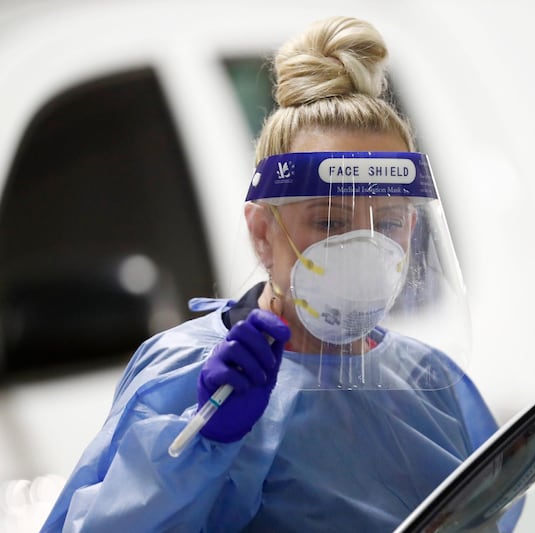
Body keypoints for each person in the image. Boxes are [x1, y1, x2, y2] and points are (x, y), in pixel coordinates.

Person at [42, 16, 499, 532]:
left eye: (388, 221)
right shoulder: (192, 376)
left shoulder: (430, 381)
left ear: (413, 226)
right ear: (263, 232)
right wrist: (204, 446)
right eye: (329, 221)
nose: (366, 246)